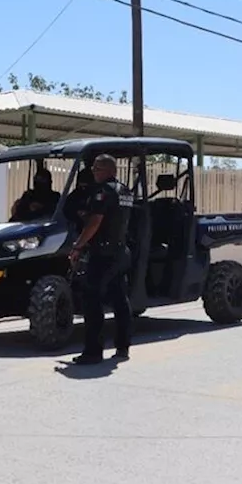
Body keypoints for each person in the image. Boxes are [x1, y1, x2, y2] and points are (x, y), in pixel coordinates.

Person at [67, 154, 134, 364]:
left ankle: (93, 352)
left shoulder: (103, 192)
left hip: (103, 253)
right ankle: (123, 347)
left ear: (109, 170)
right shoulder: (125, 190)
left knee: (92, 300)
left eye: (97, 169)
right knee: (120, 299)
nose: (94, 172)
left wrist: (78, 245)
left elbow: (95, 222)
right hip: (121, 251)